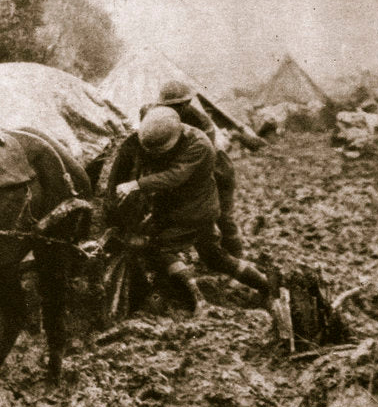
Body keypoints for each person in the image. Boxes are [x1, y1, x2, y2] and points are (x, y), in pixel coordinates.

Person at [107, 106, 269, 315]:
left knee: (163, 250)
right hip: (181, 208)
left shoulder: (199, 144)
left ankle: (199, 301)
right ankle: (265, 285)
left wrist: (137, 185)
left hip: (194, 210)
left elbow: (176, 175)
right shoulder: (165, 135)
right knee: (214, 257)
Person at [156, 80, 244, 257]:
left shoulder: (202, 123)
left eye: (177, 106)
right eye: (168, 106)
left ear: (187, 104)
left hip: (216, 171)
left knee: (223, 216)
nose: (172, 110)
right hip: (190, 168)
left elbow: (199, 158)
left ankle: (236, 255)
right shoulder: (162, 115)